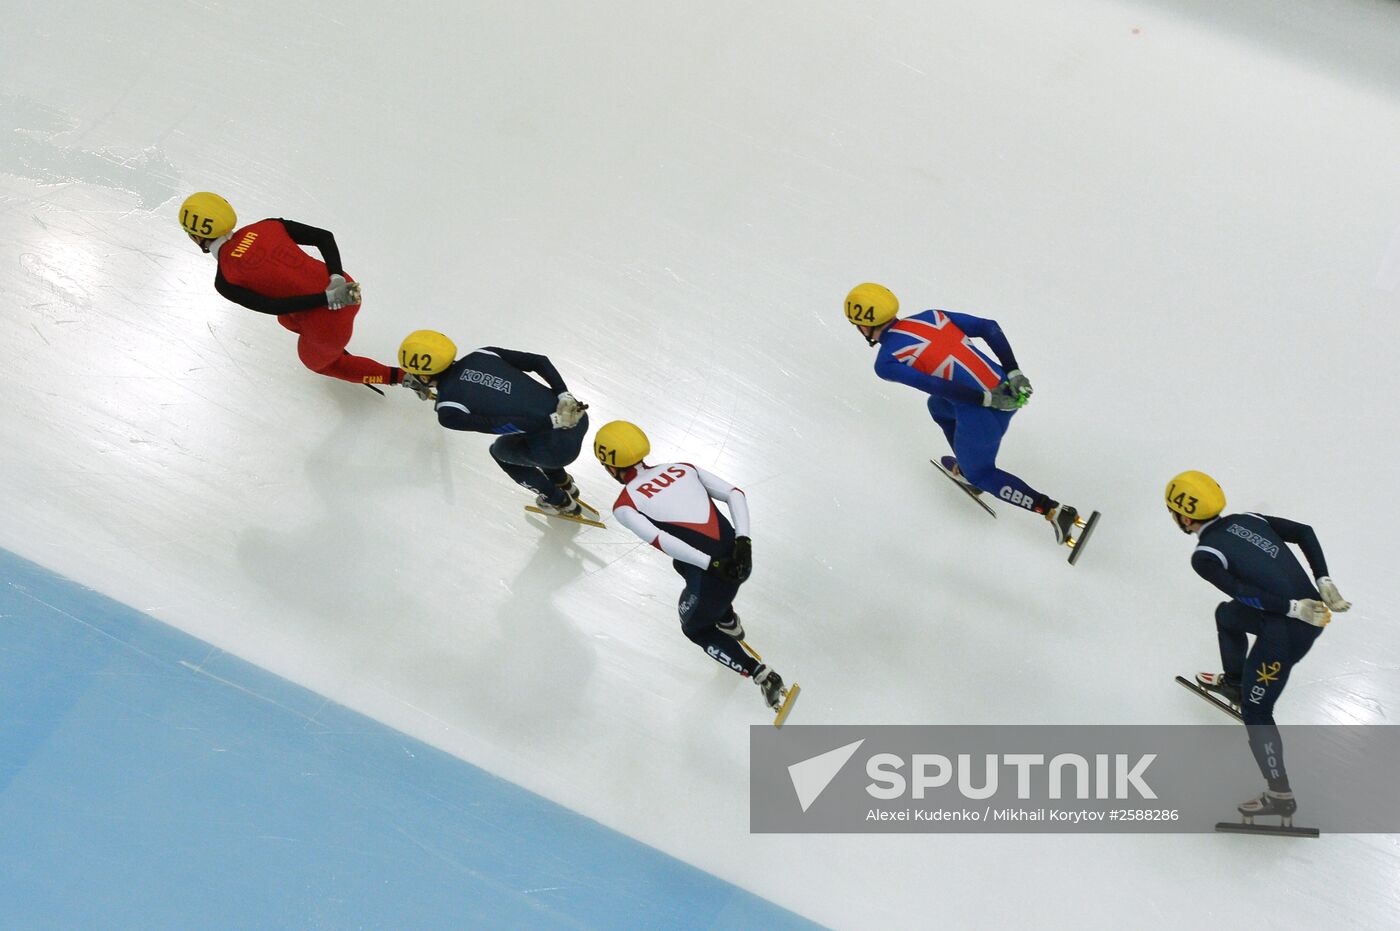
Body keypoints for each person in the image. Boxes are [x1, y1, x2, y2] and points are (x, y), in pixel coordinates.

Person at [1166, 470, 1352, 821]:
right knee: (1227, 616)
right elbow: (1304, 532)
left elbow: (1243, 592)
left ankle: (1280, 794)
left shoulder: (1205, 556)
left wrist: (1292, 608)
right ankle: (1237, 683)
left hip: (1289, 630)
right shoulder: (1247, 518)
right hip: (1301, 610)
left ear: (1185, 518)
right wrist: (1323, 579)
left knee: (1257, 712)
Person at [844, 282, 1085, 546]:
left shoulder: (886, 362)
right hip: (1010, 389)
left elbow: (935, 384)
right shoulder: (931, 316)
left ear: (863, 326)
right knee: (937, 406)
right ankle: (967, 465)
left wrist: (985, 399)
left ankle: (1052, 511)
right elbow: (989, 327)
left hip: (982, 412)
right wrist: (1014, 371)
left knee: (981, 473)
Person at [178, 192, 408, 390]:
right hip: (346, 286)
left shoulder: (225, 280)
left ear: (196, 236)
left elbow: (272, 306)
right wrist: (336, 278)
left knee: (321, 364)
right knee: (286, 319)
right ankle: (327, 342)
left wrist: (327, 298)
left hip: (326, 322)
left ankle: (404, 378)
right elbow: (324, 237)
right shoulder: (268, 225)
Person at [398, 330, 590, 515]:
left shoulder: (448, 411)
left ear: (424, 376)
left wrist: (553, 422)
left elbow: (501, 425)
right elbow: (540, 361)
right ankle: (563, 482)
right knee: (531, 438)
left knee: (500, 450)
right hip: (577, 414)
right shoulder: (484, 353)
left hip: (559, 450)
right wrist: (563, 394)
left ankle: (559, 500)